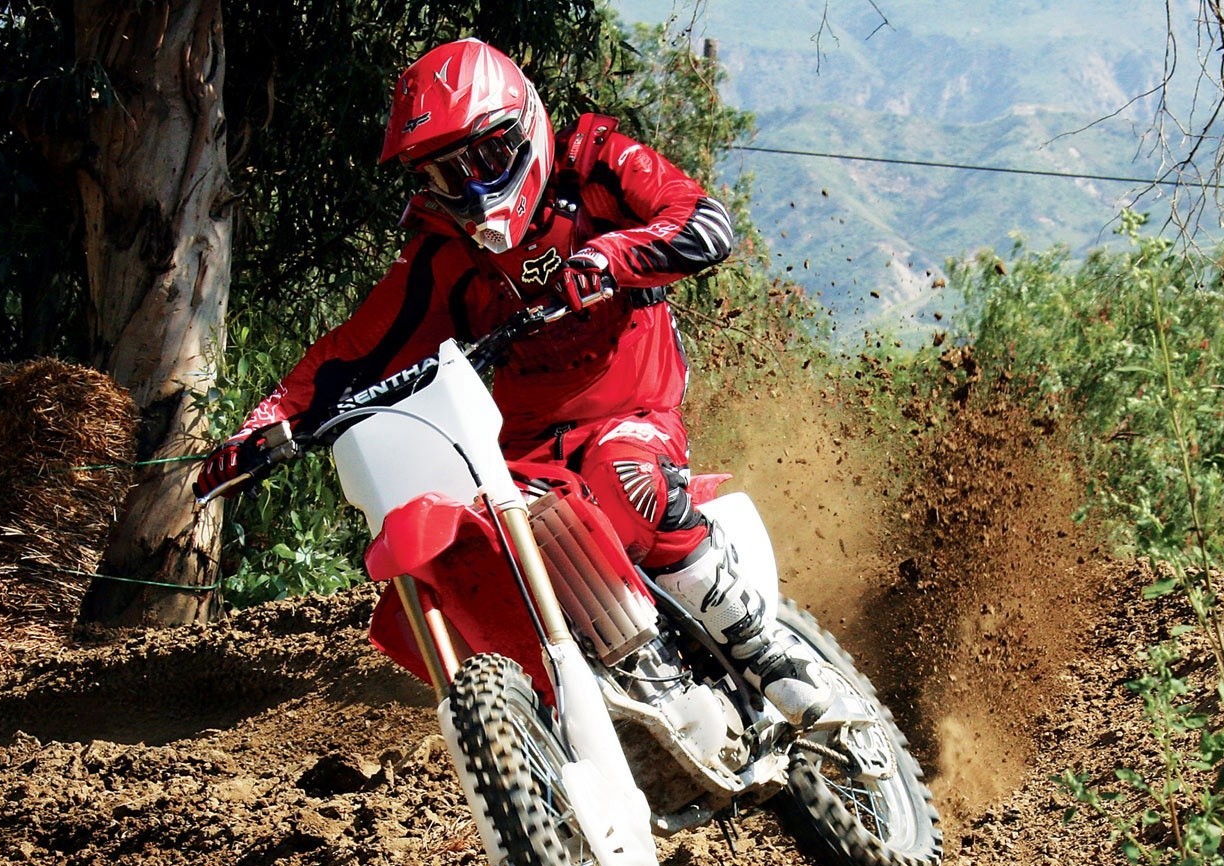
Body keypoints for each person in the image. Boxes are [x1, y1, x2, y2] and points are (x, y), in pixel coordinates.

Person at [195, 38, 849, 729]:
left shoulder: (596, 164)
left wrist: (610, 256)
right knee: (479, 546)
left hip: (634, 402)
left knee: (624, 474)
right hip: (527, 446)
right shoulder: (445, 253)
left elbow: (704, 223)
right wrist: (261, 430)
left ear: (524, 126)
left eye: (485, 158)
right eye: (446, 175)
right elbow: (354, 353)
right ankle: (560, 706)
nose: (472, 188)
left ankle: (766, 652)